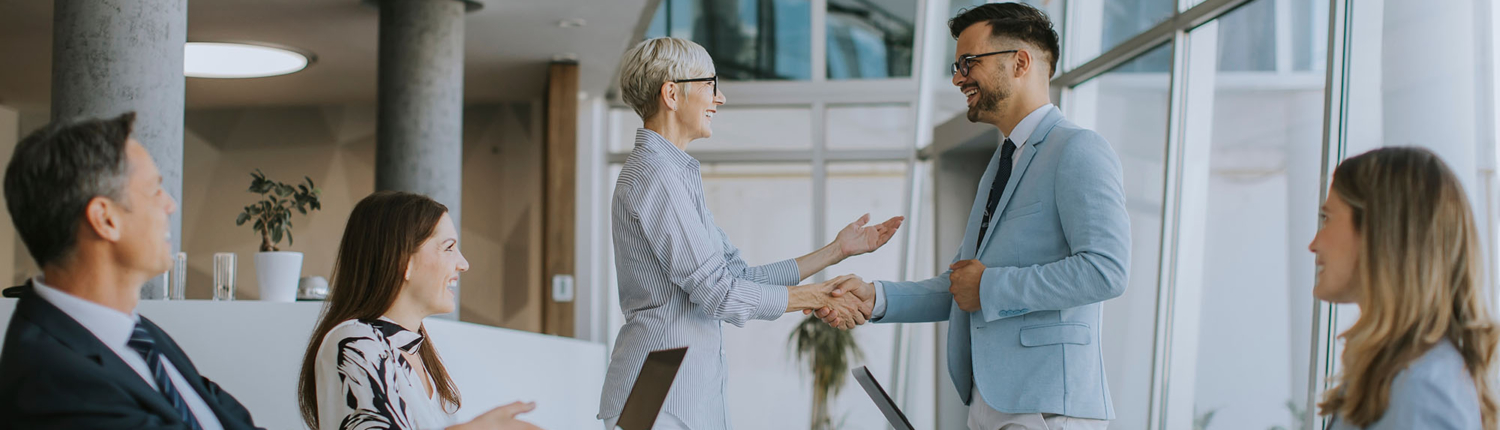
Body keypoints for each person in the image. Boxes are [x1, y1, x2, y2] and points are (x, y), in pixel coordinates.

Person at [817, 3, 1129, 429]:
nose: (957, 77)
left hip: (1047, 408)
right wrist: (877, 297)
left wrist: (989, 285)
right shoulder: (1002, 164)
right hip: (988, 404)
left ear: (1020, 62)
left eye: (969, 62)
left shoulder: (1078, 150)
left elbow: (1106, 270)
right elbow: (963, 286)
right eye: (955, 64)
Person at [599, 36, 903, 430]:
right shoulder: (657, 177)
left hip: (671, 387)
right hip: (660, 389)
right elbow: (719, 293)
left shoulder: (674, 174)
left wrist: (835, 251)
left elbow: (736, 279)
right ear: (671, 94)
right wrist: (815, 296)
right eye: (710, 84)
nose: (719, 98)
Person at [0, 112, 262, 429]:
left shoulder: (140, 333)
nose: (170, 205)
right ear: (106, 219)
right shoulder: (50, 380)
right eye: (154, 190)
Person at [297, 191, 541, 430]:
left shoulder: (415, 353)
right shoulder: (355, 342)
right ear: (404, 260)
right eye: (449, 247)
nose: (463, 264)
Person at [1309, 147, 1497, 430]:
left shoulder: (1422, 387)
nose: (1315, 243)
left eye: (1327, 219)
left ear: (1376, 231)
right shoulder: (1396, 376)